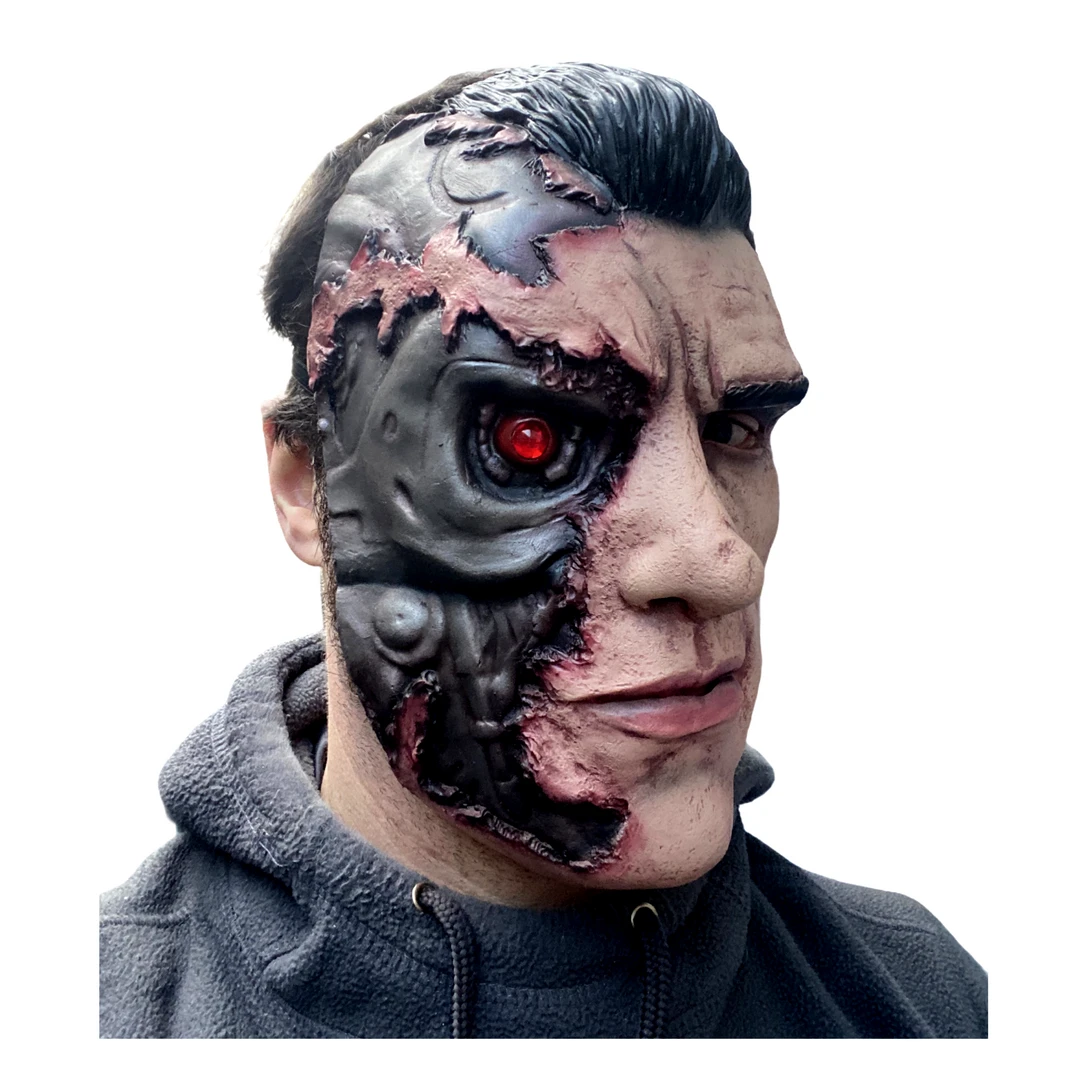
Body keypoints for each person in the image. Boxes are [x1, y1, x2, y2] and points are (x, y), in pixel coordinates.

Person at [98, 62, 988, 1038]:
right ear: (306, 484)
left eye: (736, 429)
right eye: (530, 439)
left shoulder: (931, 1004)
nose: (721, 562)